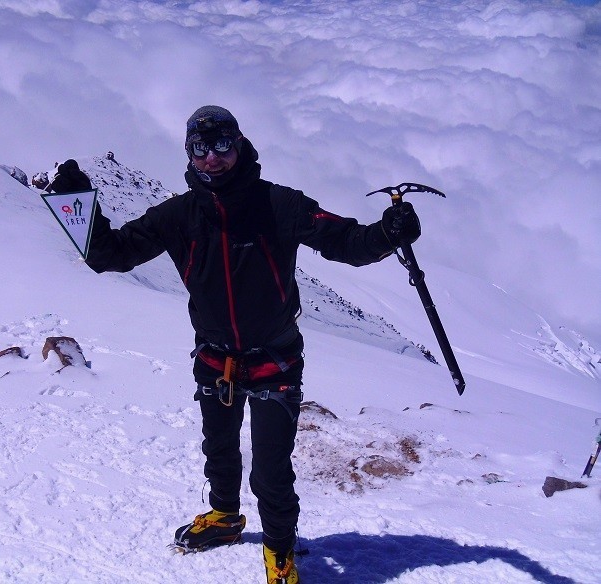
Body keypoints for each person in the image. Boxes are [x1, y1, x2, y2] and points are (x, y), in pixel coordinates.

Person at [50, 106, 420, 584]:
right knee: (219, 450)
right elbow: (109, 254)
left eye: (221, 144)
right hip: (215, 359)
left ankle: (280, 555)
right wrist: (75, 203)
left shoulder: (278, 205)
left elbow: (344, 241)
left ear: (240, 144)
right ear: (189, 154)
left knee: (271, 472)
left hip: (275, 362)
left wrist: (386, 235)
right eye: (199, 149)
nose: (212, 158)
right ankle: (225, 518)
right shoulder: (178, 216)